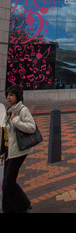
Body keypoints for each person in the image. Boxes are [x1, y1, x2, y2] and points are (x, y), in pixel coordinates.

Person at [0, 85, 36, 213]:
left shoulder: (22, 110)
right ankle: (8, 208)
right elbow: (7, 133)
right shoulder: (9, 110)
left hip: (19, 151)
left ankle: (24, 204)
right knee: (6, 182)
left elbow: (32, 127)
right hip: (10, 151)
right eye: (7, 95)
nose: (8, 98)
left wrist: (15, 121)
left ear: (18, 96)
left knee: (8, 182)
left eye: (11, 95)